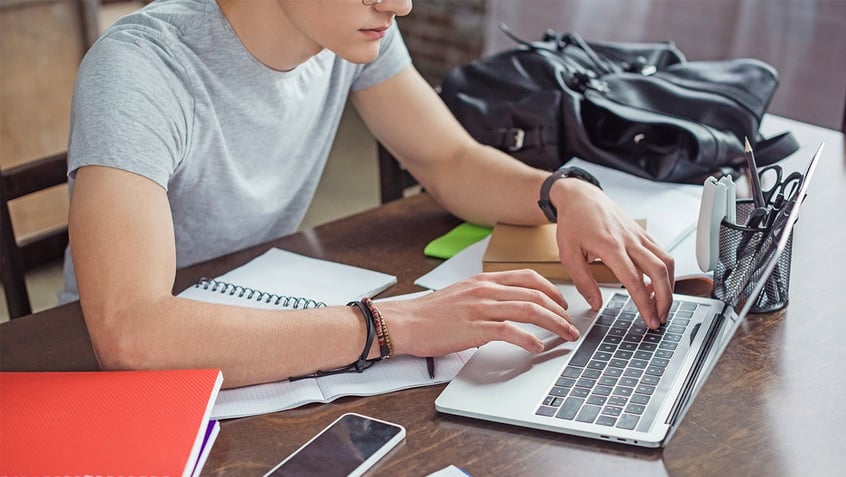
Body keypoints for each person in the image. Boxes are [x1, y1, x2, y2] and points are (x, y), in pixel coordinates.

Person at [65, 0, 673, 388]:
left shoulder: (351, 31)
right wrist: (394, 326)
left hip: (260, 322)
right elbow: (131, 335)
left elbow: (448, 158)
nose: (399, 4)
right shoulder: (141, 69)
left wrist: (562, 192)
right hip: (111, 379)